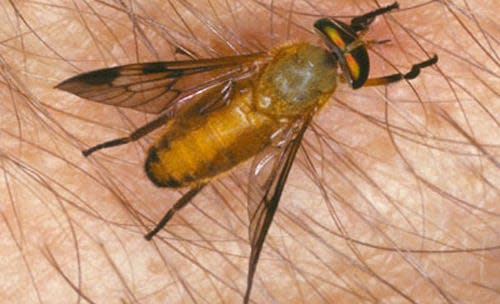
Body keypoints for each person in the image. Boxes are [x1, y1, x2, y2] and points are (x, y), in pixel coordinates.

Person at [0, 1, 497, 303]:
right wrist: (404, 73)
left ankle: (127, 145)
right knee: (226, 156)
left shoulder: (256, 62)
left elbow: (168, 86)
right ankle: (162, 197)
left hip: (230, 95)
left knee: (183, 93)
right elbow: (266, 190)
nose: (344, 48)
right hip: (247, 135)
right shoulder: (310, 110)